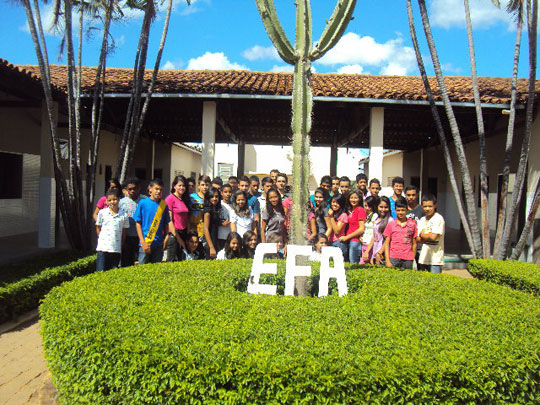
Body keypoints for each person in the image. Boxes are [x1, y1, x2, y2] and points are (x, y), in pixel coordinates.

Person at [134, 178, 175, 264]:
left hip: (158, 244)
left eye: (160, 189)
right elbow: (138, 224)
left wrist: (165, 240)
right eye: (156, 189)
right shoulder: (143, 203)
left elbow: (166, 224)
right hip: (145, 243)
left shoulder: (163, 205)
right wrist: (142, 242)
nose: (158, 191)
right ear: (150, 188)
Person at [95, 189, 129, 271]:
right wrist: (102, 239)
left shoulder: (124, 214)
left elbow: (124, 231)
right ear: (106, 201)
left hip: (116, 248)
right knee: (100, 272)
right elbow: (98, 227)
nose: (112, 202)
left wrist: (122, 242)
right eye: (109, 200)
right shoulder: (102, 213)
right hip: (103, 248)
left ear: (119, 199)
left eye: (114, 199)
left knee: (113, 272)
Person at [119, 177, 146, 267]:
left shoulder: (144, 200)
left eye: (135, 188)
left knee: (142, 262)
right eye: (130, 189)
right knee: (126, 262)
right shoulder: (121, 202)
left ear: (139, 188)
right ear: (126, 190)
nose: (132, 191)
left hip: (141, 237)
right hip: (127, 237)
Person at [383, 198, 417, 269]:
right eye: (398, 210)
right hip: (393, 258)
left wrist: (412, 258)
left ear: (407, 210)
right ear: (395, 210)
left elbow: (414, 243)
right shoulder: (391, 224)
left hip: (407, 259)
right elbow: (386, 244)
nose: (400, 213)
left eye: (403, 210)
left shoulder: (412, 224)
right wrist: (387, 260)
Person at [163, 175, 190, 262]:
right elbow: (169, 220)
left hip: (184, 233)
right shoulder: (170, 199)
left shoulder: (184, 199)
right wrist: (178, 238)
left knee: (181, 261)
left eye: (184, 186)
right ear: (174, 186)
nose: (182, 188)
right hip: (174, 235)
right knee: (171, 261)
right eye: (179, 185)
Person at [417, 194, 445, 273]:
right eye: (425, 206)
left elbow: (433, 237)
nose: (427, 209)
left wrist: (422, 235)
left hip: (435, 260)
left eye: (430, 206)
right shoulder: (422, 220)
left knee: (434, 283)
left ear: (435, 206)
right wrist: (427, 236)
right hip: (423, 258)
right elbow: (418, 239)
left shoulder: (438, 219)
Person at [363, 196, 393, 265]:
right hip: (375, 252)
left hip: (383, 254)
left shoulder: (390, 221)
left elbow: (387, 241)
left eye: (386, 207)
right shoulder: (376, 219)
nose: (383, 209)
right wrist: (368, 251)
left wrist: (379, 253)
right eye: (381, 207)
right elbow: (374, 237)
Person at [340, 190, 366, 263]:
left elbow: (361, 229)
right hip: (347, 241)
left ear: (359, 199)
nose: (353, 200)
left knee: (353, 263)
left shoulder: (360, 210)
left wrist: (347, 237)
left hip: (355, 241)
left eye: (355, 198)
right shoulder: (349, 210)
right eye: (351, 198)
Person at [327, 194, 349, 260]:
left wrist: (331, 217)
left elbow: (337, 231)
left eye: (338, 203)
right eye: (333, 202)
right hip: (329, 242)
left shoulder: (343, 215)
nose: (335, 204)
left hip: (338, 243)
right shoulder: (331, 213)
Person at [203, 187, 222, 259]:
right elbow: (206, 229)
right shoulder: (207, 212)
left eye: (217, 196)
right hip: (209, 241)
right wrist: (211, 247)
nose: (214, 198)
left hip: (215, 239)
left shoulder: (216, 209)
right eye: (212, 196)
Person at [189, 175, 210, 240]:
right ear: (198, 185)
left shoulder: (210, 198)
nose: (205, 187)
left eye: (207, 185)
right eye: (203, 185)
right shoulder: (192, 197)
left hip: (205, 231)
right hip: (192, 230)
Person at [360, 196, 378, 264]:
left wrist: (367, 250)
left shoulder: (375, 216)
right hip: (364, 243)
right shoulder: (366, 215)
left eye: (369, 206)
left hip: (370, 245)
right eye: (366, 206)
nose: (367, 208)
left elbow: (374, 233)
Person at [217, 184, 233, 250]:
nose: (228, 194)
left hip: (230, 236)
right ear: (221, 193)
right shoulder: (218, 204)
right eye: (225, 192)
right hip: (220, 235)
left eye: (229, 192)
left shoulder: (234, 205)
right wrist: (221, 223)